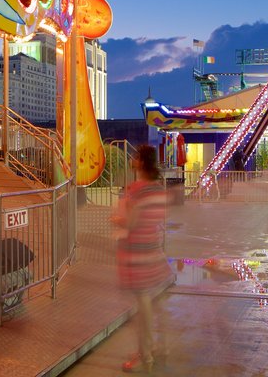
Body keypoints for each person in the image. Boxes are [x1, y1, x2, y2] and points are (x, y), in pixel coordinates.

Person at [112, 145, 171, 373]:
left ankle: (145, 355)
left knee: (143, 307)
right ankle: (160, 347)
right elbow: (160, 217)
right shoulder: (158, 189)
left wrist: (116, 218)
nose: (133, 159)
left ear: (142, 162)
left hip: (136, 253)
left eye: (136, 156)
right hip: (154, 250)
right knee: (156, 304)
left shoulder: (135, 190)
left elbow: (130, 223)